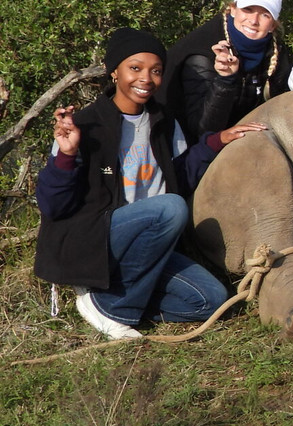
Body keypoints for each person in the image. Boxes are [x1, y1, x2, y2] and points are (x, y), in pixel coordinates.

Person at [34, 29, 266, 339]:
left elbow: (180, 176)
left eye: (156, 71)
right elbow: (53, 206)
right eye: (135, 68)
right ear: (114, 71)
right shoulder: (85, 126)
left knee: (211, 299)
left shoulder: (164, 122)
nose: (146, 78)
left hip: (147, 245)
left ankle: (109, 294)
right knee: (171, 208)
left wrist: (217, 141)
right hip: (96, 241)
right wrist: (66, 155)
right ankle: (112, 308)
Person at [162, 0, 290, 141]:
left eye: (265, 15)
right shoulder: (203, 52)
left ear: (273, 25)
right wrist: (226, 80)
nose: (254, 21)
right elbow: (202, 130)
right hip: (185, 145)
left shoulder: (275, 53)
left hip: (243, 139)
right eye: (248, 10)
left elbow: (286, 99)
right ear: (233, 10)